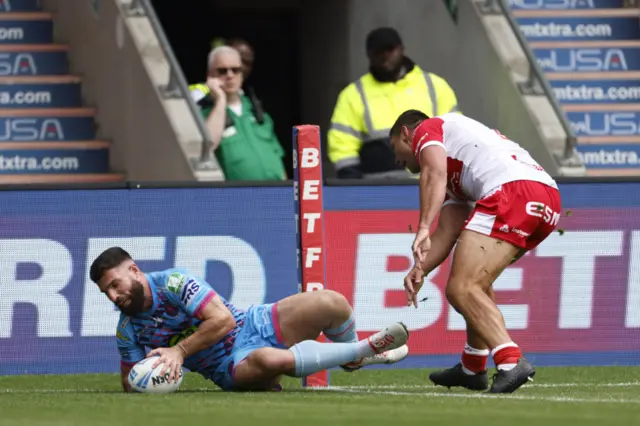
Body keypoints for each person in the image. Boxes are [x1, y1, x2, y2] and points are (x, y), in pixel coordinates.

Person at [389, 110, 562, 394]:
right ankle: (473, 367)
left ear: (406, 134)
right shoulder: (457, 168)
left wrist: (422, 226)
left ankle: (510, 361)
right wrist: (420, 270)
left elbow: (433, 172)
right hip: (545, 200)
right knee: (476, 284)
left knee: (462, 288)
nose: (397, 159)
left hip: (513, 192)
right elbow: (447, 230)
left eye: (394, 147)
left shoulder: (428, 129)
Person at [90, 247, 409, 392]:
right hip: (228, 366)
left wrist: (180, 351)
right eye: (107, 292)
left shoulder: (173, 283)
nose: (114, 297)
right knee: (269, 359)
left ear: (134, 270)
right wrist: (154, 376)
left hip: (251, 323)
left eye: (115, 285)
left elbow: (224, 320)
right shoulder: (128, 330)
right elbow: (130, 382)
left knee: (331, 302)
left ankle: (352, 356)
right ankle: (363, 349)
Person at [328, 27, 459, 179]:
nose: (385, 55)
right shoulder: (353, 94)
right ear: (369, 55)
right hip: (378, 193)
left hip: (430, 186)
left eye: (389, 49)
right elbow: (342, 143)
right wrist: (352, 185)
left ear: (401, 50)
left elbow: (454, 132)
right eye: (378, 51)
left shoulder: (435, 86)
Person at [189, 46, 287, 181]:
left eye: (235, 70)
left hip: (275, 195)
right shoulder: (206, 113)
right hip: (239, 197)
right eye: (222, 71)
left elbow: (277, 157)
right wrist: (220, 100)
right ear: (210, 75)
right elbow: (207, 146)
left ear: (242, 74)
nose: (230, 75)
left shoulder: (257, 112)